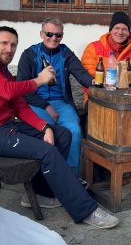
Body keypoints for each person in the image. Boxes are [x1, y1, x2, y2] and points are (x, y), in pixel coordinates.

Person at [0, 26, 119, 228]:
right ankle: (86, 210)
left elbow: (19, 104)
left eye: (13, 44)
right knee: (46, 151)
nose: (9, 49)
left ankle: (43, 193)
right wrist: (39, 80)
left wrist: (44, 126)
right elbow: (7, 91)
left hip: (7, 124)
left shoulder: (1, 67)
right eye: (4, 43)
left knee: (62, 134)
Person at [17, 17, 93, 178]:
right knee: (47, 131)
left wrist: (96, 83)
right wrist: (46, 106)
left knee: (74, 130)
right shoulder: (29, 54)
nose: (53, 38)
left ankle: (70, 177)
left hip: (62, 103)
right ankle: (45, 178)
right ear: (41, 34)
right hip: (36, 103)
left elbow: (81, 74)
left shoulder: (65, 53)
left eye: (58, 35)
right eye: (49, 34)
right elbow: (23, 89)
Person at [81, 11, 131, 107]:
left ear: (129, 33)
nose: (120, 32)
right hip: (96, 99)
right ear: (110, 30)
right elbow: (88, 80)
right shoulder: (93, 48)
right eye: (117, 28)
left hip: (126, 102)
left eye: (124, 29)